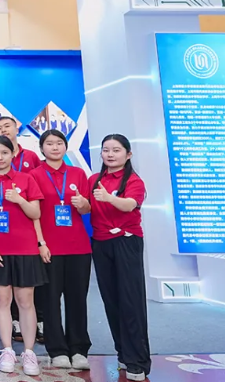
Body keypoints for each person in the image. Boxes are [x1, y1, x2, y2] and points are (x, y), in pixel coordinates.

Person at [0, 136, 46, 377]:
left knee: (25, 301)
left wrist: (20, 199)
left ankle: (29, 352)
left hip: (25, 249)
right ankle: (7, 350)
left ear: (13, 154)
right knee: (2, 300)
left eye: (4, 152)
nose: (0, 157)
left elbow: (36, 213)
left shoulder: (27, 179)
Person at [89, 134, 150, 382]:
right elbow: (89, 208)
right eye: (106, 150)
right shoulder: (94, 179)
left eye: (116, 150)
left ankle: (138, 361)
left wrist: (109, 198)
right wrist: (82, 203)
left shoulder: (134, 180)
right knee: (111, 300)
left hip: (126, 242)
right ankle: (123, 353)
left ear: (128, 154)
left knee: (130, 301)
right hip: (101, 243)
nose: (110, 154)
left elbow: (129, 205)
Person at [32, 130, 92, 371]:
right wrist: (40, 243)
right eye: (49, 143)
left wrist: (84, 204)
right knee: (49, 300)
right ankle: (56, 350)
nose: (55, 147)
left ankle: (79, 349)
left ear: (65, 147)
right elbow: (33, 214)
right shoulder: (34, 175)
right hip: (49, 247)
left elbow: (87, 209)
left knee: (77, 299)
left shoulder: (78, 174)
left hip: (78, 246)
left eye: (59, 143)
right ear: (42, 148)